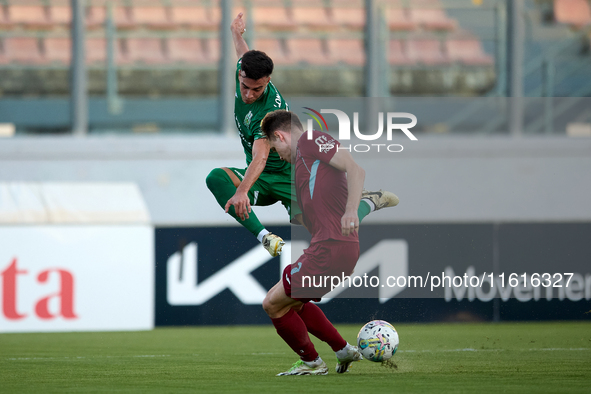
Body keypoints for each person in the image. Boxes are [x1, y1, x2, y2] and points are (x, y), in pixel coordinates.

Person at [260, 110, 399, 376]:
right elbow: (318, 211)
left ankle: (312, 363)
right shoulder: (301, 168)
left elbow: (356, 169)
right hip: (334, 249)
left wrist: (350, 210)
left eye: (274, 147)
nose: (276, 154)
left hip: (329, 249)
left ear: (279, 135)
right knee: (295, 304)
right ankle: (342, 349)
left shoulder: (310, 140)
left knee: (272, 304)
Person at [205, 12, 297, 257]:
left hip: (289, 177)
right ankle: (264, 237)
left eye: (258, 89)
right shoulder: (244, 68)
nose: (248, 94)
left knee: (317, 227)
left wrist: (243, 190)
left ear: (267, 81)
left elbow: (261, 157)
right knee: (216, 178)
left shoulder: (268, 113)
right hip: (261, 179)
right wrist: (236, 32)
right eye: (245, 86)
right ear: (240, 74)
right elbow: (242, 53)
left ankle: (364, 201)